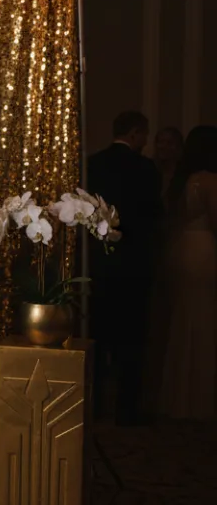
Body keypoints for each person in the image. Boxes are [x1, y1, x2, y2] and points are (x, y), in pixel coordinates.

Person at [86, 111, 163, 426]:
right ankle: (126, 410)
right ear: (135, 134)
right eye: (144, 135)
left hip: (100, 262)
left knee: (98, 333)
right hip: (133, 263)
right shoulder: (145, 169)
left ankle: (94, 404)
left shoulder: (92, 164)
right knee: (131, 338)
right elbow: (153, 217)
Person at [159, 125, 217, 419]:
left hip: (183, 249)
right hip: (205, 250)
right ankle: (201, 400)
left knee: (185, 321)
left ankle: (181, 397)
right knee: (205, 323)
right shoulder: (209, 181)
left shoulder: (184, 181)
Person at [153, 127, 185, 201]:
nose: (164, 146)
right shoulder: (150, 170)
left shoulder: (184, 174)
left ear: (179, 146)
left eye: (170, 143)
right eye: (161, 142)